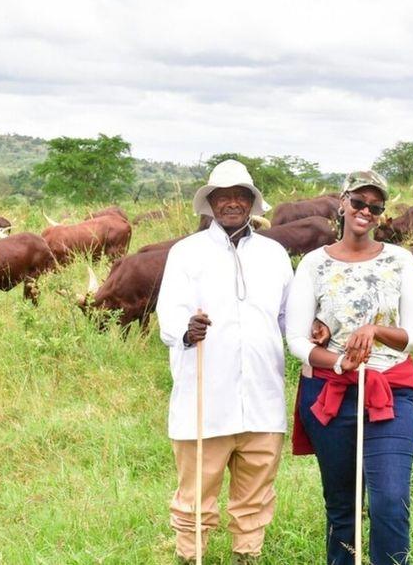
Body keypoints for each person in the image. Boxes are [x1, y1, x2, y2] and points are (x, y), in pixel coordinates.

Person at [285, 170, 413, 565]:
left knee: (389, 498)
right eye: (359, 202)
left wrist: (377, 330)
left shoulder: (400, 260)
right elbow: (297, 339)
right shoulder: (314, 264)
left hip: (388, 391)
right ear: (343, 203)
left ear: (381, 214)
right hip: (331, 392)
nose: (366, 210)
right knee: (342, 505)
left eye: (375, 206)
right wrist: (339, 361)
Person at [156, 159, 293, 564]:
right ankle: (189, 558)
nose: (232, 203)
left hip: (263, 399)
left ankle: (246, 557)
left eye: (240, 196)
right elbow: (169, 316)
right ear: (210, 203)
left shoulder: (274, 254)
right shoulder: (186, 252)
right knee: (194, 498)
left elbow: (288, 320)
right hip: (204, 400)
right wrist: (187, 328)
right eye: (223, 196)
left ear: (252, 202)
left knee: (255, 496)